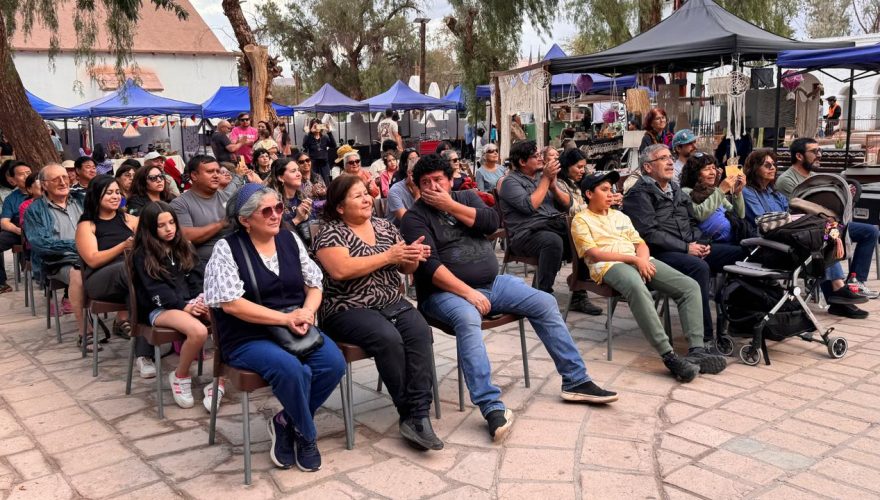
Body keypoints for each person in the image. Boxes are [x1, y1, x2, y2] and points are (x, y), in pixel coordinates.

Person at [401, 154, 618, 440]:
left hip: (493, 283)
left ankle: (575, 380)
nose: (433, 187)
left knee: (544, 301)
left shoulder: (465, 196)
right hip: (445, 294)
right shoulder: (415, 218)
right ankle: (491, 406)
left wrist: (450, 206)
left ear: (450, 179)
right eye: (425, 183)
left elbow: (492, 224)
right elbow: (431, 269)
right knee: (468, 318)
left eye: (438, 180)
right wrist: (468, 294)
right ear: (416, 187)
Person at [205, 184, 345, 471]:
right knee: (291, 370)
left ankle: (285, 422)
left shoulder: (289, 240)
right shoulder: (227, 248)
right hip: (247, 335)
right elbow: (231, 304)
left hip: (293, 328)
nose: (275, 215)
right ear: (245, 220)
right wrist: (285, 319)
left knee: (333, 363)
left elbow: (314, 284)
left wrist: (307, 311)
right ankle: (307, 435)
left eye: (278, 208)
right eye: (266, 211)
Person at [314, 174, 443, 451]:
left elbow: (404, 270)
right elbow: (340, 270)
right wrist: (389, 256)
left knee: (420, 331)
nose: (366, 199)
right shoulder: (330, 233)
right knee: (387, 337)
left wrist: (412, 258)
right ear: (339, 207)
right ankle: (409, 412)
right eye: (357, 195)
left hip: (390, 301)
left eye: (366, 193)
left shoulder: (384, 226)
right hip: (347, 307)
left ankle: (419, 413)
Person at [572, 171, 726, 382]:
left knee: (689, 286)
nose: (611, 195)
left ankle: (697, 350)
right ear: (589, 193)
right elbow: (594, 254)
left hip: (639, 260)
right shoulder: (581, 219)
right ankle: (669, 355)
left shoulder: (620, 216)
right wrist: (635, 260)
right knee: (637, 286)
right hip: (609, 266)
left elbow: (640, 243)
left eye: (612, 190)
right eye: (604, 190)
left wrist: (642, 259)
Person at [622, 144, 746, 347]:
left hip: (689, 246)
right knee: (699, 267)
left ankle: (743, 320)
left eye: (670, 157)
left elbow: (692, 221)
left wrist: (701, 243)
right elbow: (650, 234)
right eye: (662, 159)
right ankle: (705, 338)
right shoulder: (638, 194)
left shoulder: (675, 189)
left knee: (742, 253)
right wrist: (686, 248)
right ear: (647, 168)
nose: (670, 161)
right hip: (659, 253)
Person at [746, 145, 873, 317]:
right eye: (767, 165)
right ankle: (837, 292)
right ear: (755, 169)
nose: (773, 168)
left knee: (830, 231)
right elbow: (762, 220)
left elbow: (790, 213)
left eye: (774, 164)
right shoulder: (749, 192)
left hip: (788, 235)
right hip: (769, 243)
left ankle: (839, 291)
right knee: (821, 238)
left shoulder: (775, 193)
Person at [130, 202, 209, 409]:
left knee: (226, 318)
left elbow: (197, 275)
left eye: (172, 222)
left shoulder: (183, 246)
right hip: (160, 308)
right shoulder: (143, 255)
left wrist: (199, 299)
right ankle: (180, 375)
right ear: (149, 228)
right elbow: (155, 289)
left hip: (188, 302)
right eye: (161, 225)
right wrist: (184, 307)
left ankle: (221, 380)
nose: (169, 229)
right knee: (199, 331)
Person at [75, 175, 155, 371]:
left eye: (118, 192)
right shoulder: (87, 225)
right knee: (131, 269)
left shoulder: (129, 220)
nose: (115, 196)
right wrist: (123, 246)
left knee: (138, 290)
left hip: (131, 277)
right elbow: (92, 259)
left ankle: (144, 355)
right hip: (100, 280)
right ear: (96, 196)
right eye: (109, 192)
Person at [498, 141, 572, 294]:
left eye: (540, 155)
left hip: (551, 225)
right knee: (552, 241)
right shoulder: (510, 182)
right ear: (522, 162)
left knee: (582, 234)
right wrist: (546, 179)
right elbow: (529, 206)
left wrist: (553, 187)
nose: (541, 159)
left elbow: (567, 204)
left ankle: (579, 289)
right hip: (525, 234)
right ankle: (541, 293)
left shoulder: (541, 177)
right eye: (535, 156)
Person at [23, 164, 87, 339]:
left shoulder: (82, 200)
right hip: (58, 261)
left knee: (127, 266)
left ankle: (122, 319)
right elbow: (41, 244)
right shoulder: (35, 210)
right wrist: (78, 245)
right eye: (55, 179)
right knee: (77, 273)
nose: (62, 182)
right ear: (44, 185)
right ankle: (85, 330)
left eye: (65, 177)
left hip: (92, 254)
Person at [555, 148, 603, 315]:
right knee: (586, 244)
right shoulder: (558, 183)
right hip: (561, 232)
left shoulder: (575, 183)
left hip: (577, 226)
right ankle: (578, 295)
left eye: (584, 167)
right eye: (579, 167)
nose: (582, 171)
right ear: (567, 166)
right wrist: (598, 203)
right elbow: (573, 210)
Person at [171, 155, 232, 264]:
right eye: (210, 172)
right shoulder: (180, 204)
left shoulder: (229, 197)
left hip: (235, 256)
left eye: (218, 171)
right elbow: (186, 236)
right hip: (205, 263)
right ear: (194, 175)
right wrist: (221, 224)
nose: (216, 175)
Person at [678, 152, 747, 244]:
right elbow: (699, 214)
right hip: (709, 244)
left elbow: (739, 215)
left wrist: (737, 193)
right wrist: (721, 190)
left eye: (713, 168)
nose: (712, 173)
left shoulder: (713, 190)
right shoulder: (685, 191)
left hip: (735, 237)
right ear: (695, 173)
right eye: (707, 169)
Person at [0, 161, 31, 293]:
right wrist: (18, 230)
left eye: (28, 173)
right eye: (21, 174)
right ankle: (1, 283)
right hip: (19, 231)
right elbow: (4, 222)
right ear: (12, 179)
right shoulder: (11, 199)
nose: (26, 176)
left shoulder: (45, 192)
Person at [267, 157, 313, 237]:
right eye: (293, 171)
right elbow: (276, 233)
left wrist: (307, 217)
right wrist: (297, 220)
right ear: (281, 178)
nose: (299, 174)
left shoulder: (302, 197)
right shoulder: (273, 203)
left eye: (298, 170)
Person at [387, 149, 420, 225]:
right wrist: (417, 194)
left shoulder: (426, 186)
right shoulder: (395, 191)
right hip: (398, 230)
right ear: (409, 173)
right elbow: (408, 221)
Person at [302, 118, 337, 184]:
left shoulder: (324, 137)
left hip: (324, 164)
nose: (317, 128)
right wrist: (310, 133)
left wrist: (329, 132)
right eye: (315, 126)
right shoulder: (308, 137)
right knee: (315, 182)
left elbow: (333, 145)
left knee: (326, 182)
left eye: (318, 125)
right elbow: (304, 145)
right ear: (311, 126)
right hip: (314, 164)